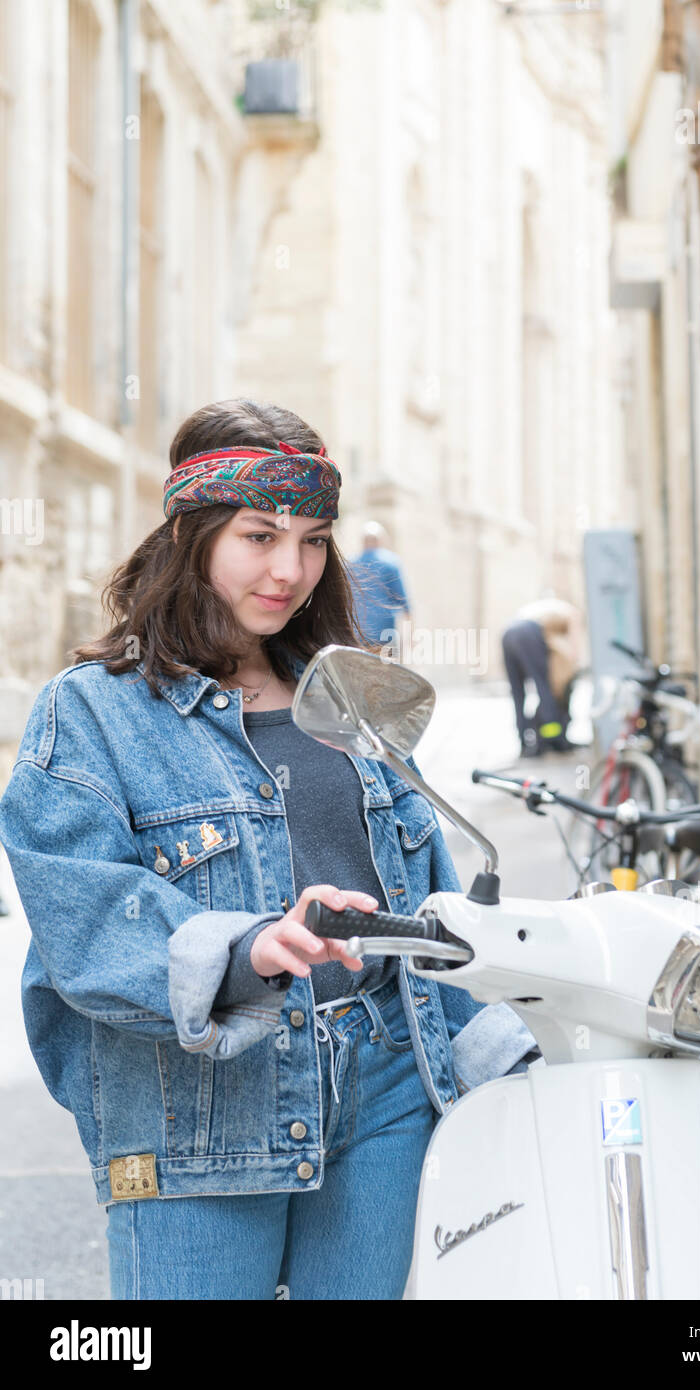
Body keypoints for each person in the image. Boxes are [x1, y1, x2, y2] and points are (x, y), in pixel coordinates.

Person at [0, 398, 537, 1301]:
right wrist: (245, 950)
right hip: (200, 1109)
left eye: (315, 539)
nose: (291, 569)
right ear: (192, 533)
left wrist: (512, 1054)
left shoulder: (351, 696)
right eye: (260, 535)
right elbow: (82, 921)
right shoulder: (91, 712)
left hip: (385, 1093)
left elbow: (431, 912)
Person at [501, 595, 583, 758]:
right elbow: (574, 650)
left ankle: (523, 742)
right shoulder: (572, 613)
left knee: (518, 693)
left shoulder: (545, 609)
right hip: (528, 632)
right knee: (543, 687)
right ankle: (553, 738)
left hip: (507, 633)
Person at [348, 521, 411, 653]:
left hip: (358, 634)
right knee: (386, 671)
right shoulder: (391, 563)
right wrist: (411, 635)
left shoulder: (350, 565)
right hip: (384, 634)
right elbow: (404, 602)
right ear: (381, 541)